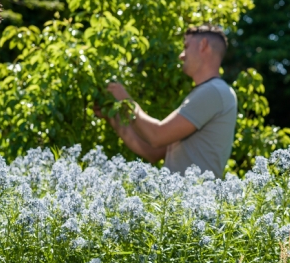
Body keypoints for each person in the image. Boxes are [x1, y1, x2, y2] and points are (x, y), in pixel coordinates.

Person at [97, 24, 238, 178]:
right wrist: (113, 118)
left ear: (203, 45)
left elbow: (156, 136)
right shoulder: (207, 92)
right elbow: (153, 152)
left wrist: (126, 100)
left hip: (191, 199)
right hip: (180, 199)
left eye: (186, 46)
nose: (181, 55)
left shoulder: (213, 92)